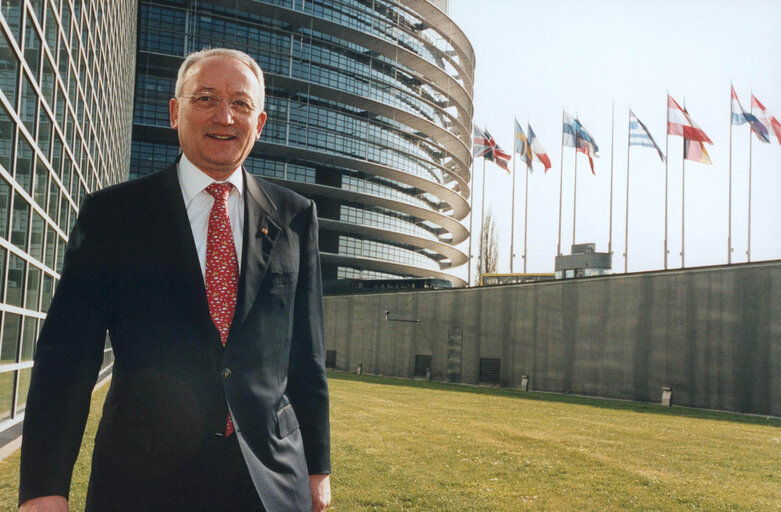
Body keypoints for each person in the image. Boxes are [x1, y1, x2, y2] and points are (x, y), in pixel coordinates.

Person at [18, 48, 331, 512]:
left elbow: (307, 356)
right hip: (142, 481)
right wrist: (44, 487)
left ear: (259, 123)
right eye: (205, 98)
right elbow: (68, 356)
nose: (224, 116)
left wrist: (318, 468)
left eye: (241, 104)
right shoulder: (114, 215)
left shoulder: (296, 217)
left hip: (269, 483)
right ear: (174, 112)